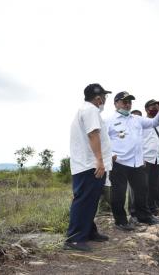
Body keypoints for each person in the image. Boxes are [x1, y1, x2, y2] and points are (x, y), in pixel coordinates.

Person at [106, 92, 159, 231]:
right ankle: (121, 221)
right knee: (119, 193)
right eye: (124, 101)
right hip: (119, 162)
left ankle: (144, 216)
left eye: (130, 102)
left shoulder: (137, 119)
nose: (128, 104)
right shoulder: (109, 121)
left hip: (137, 162)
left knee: (142, 190)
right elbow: (102, 140)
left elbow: (155, 122)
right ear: (116, 103)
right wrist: (110, 154)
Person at [64, 83, 112, 252]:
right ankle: (74, 239)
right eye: (104, 97)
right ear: (98, 98)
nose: (105, 100)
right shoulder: (91, 110)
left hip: (89, 165)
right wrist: (99, 160)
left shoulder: (87, 110)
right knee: (84, 201)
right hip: (89, 166)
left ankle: (89, 231)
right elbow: (93, 134)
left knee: (91, 201)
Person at [141, 99, 159, 216]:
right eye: (153, 106)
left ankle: (153, 210)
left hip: (157, 160)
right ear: (147, 109)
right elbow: (137, 142)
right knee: (143, 187)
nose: (156, 108)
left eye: (157, 106)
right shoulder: (141, 122)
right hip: (145, 159)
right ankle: (142, 211)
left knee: (154, 187)